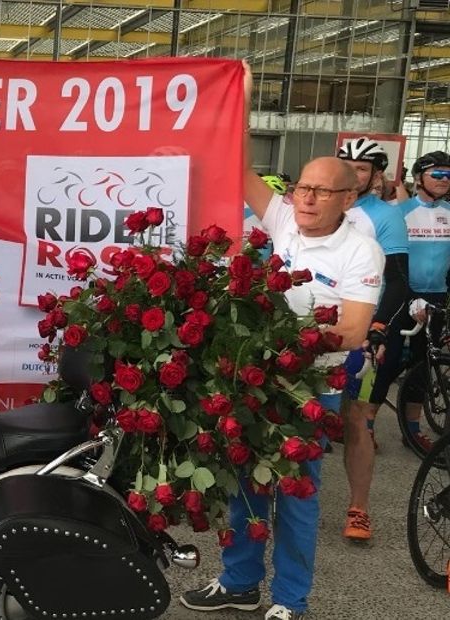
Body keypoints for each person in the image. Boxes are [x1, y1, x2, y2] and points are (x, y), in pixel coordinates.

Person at [179, 63, 384, 620]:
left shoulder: (361, 250)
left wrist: (277, 338)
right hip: (261, 377)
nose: (307, 199)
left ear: (349, 198)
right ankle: (240, 584)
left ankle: (291, 599)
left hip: (313, 385)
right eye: (301, 187)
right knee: (245, 481)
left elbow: (354, 330)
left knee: (296, 492)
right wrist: (238, 98)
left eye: (322, 192)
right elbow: (238, 163)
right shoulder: (285, 222)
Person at [333, 136, 411, 542]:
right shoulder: (323, 203)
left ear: (375, 175)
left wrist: (377, 328)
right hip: (313, 327)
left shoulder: (384, 215)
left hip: (360, 330)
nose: (353, 173)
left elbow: (398, 282)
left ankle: (359, 508)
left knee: (356, 419)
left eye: (361, 168)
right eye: (346, 165)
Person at [390, 151, 450, 454]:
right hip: (403, 295)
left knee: (424, 364)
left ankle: (412, 430)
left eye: (448, 174)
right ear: (418, 179)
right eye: (437, 174)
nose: (444, 180)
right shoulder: (400, 212)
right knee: (385, 362)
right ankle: (366, 424)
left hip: (437, 296)